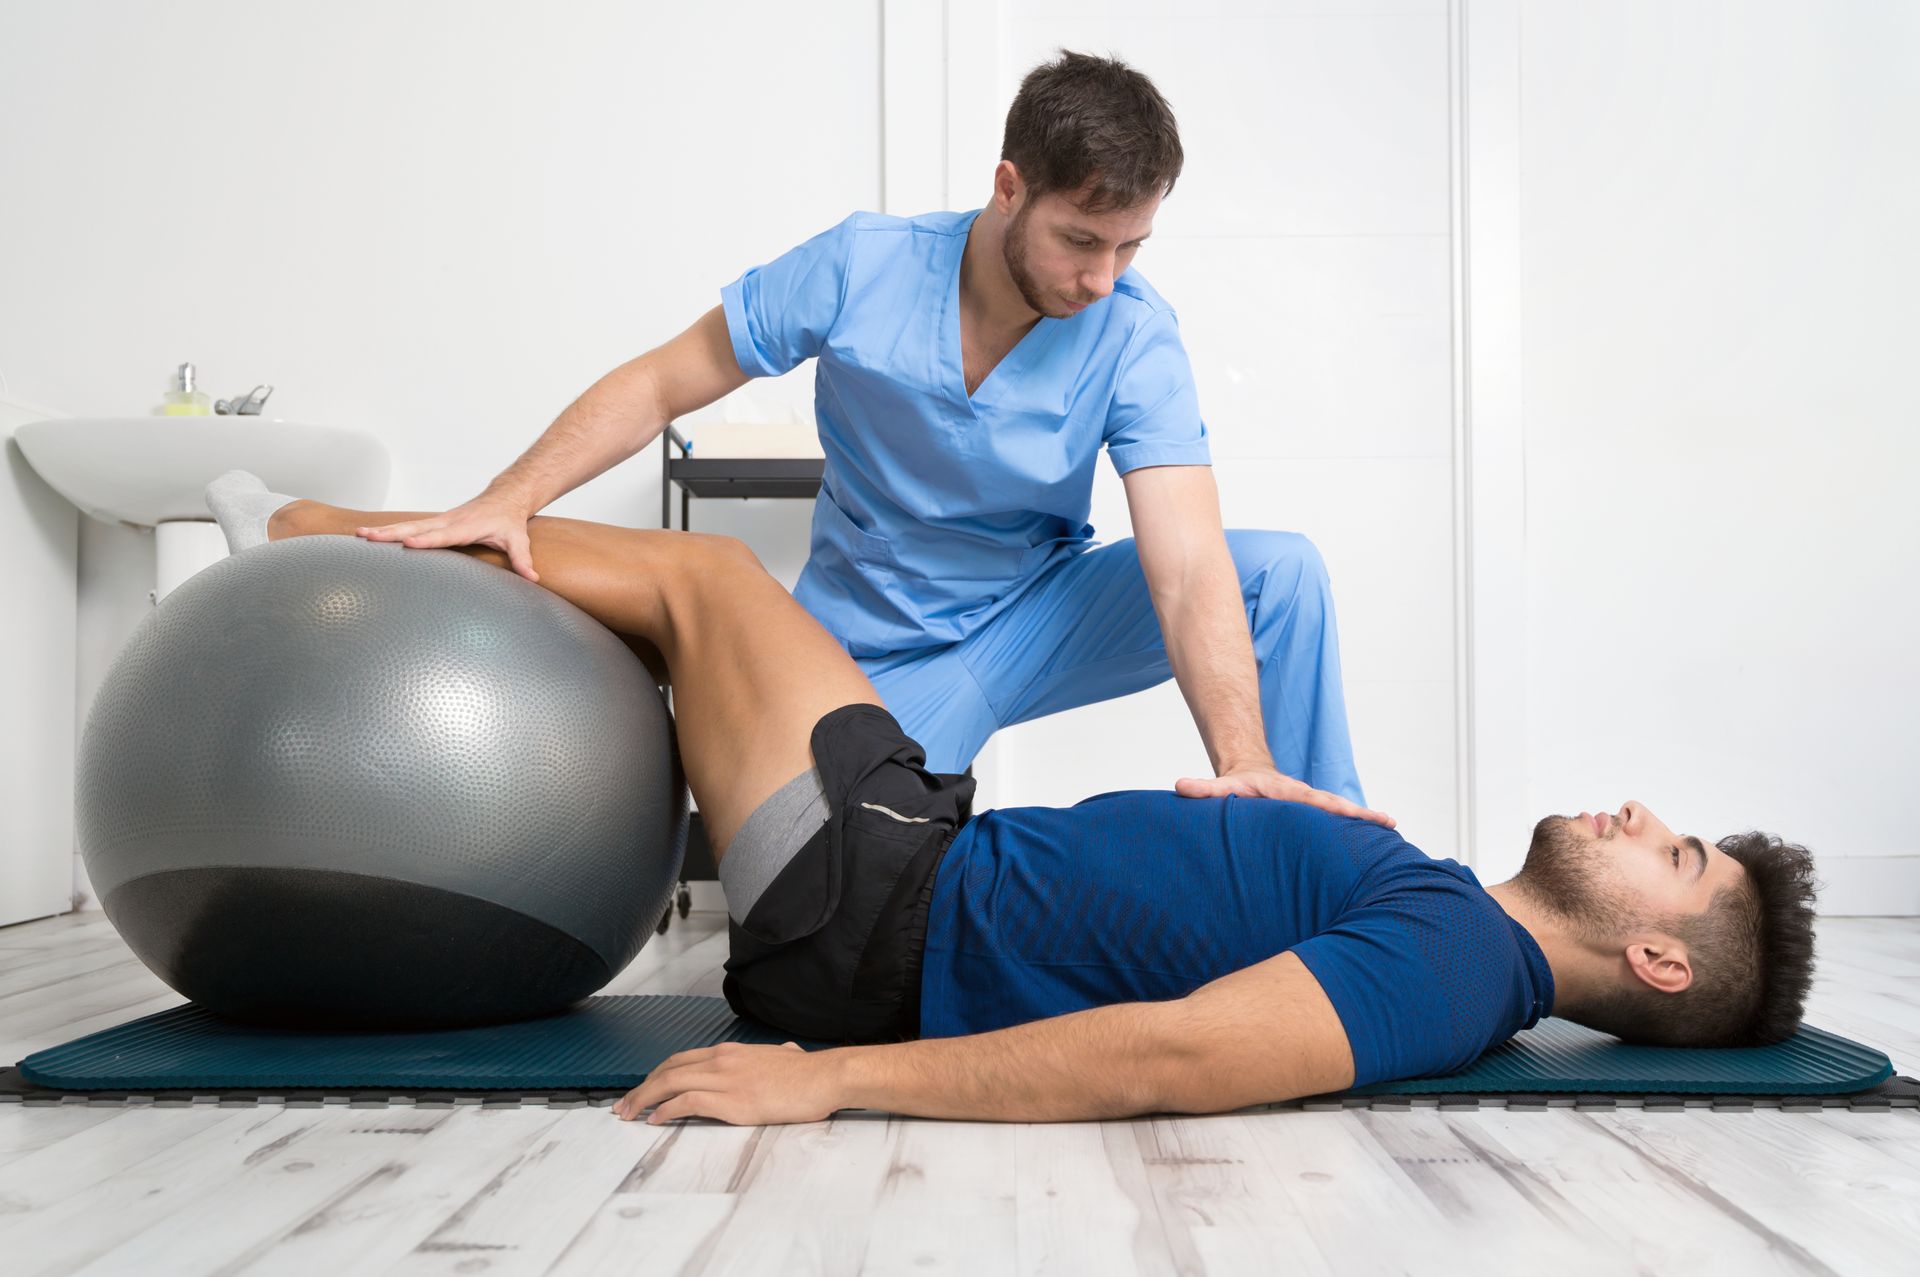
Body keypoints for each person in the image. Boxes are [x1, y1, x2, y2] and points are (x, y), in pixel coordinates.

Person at [207, 479, 1821, 1126]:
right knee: (704, 594)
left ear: (1660, 965)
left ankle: (306, 533)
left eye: (1672, 854)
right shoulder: (1450, 906)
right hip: (921, 845)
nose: (1632, 811)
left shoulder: (1463, 971)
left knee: (698, 579)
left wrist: (830, 1092)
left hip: (873, 924)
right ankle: (333, 542)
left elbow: (1180, 1058)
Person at [338, 50, 1392, 828]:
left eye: (1130, 247)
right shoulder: (860, 267)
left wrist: (1242, 761)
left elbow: (1189, 559)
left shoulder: (1132, 329)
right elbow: (665, 379)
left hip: (1035, 616)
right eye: (1081, 239)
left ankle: (1333, 864)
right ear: (1008, 186)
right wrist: (507, 496)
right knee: (822, 868)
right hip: (867, 648)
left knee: (1278, 574)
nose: (1101, 279)